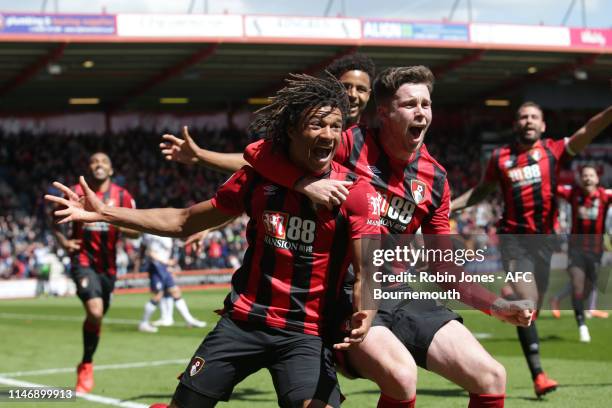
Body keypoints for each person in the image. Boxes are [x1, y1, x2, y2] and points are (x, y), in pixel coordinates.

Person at [165, 63, 535, 408]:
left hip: (402, 293)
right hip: (346, 296)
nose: (421, 111)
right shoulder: (346, 142)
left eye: (427, 103)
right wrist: (304, 183)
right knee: (401, 376)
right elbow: (258, 154)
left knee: (491, 376)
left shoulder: (436, 180)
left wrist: (495, 306)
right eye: (410, 104)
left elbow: (442, 266)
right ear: (385, 112)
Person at [46, 72, 380, 408]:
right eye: (317, 125)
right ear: (291, 129)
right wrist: (106, 212)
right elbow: (184, 220)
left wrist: (365, 310)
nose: (328, 135)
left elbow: (367, 267)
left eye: (335, 127)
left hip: (304, 331)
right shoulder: (256, 180)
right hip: (244, 322)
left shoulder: (356, 193)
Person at [452, 103, 612, 396]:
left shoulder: (554, 151)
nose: (528, 121)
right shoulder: (501, 157)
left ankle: (514, 297)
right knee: (526, 305)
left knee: (533, 308)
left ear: (543, 126)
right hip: (514, 240)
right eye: (523, 116)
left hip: (545, 243)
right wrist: (449, 206)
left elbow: (588, 130)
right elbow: (481, 190)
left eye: (534, 117)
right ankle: (538, 374)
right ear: (516, 124)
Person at [49, 152, 139, 393]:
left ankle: (86, 359)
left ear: (111, 170)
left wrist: (113, 220)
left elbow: (137, 232)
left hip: (109, 267)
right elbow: (53, 220)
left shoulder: (123, 196)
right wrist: (63, 242)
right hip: (82, 260)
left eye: (104, 162)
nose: (99, 164)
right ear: (88, 168)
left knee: (97, 317)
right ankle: (87, 366)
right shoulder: (74, 192)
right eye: (94, 161)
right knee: (95, 311)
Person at [556, 165, 611, 342]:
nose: (587, 178)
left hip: (595, 252)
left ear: (597, 178)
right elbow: (550, 187)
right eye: (584, 175)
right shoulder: (573, 194)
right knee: (577, 285)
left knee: (587, 289)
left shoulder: (605, 196)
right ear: (580, 178)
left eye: (591, 175)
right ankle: (582, 326)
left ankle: (579, 308)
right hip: (576, 250)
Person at [138, 233, 206, 333]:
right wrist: (166, 261)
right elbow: (149, 252)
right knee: (157, 295)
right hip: (156, 266)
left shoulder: (165, 231)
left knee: (175, 292)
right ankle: (143, 323)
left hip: (164, 267)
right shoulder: (150, 233)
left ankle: (189, 320)